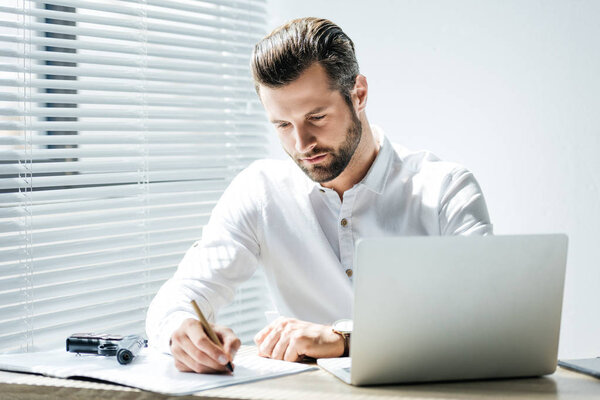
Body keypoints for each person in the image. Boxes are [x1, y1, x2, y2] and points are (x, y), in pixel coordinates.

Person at [146, 17, 493, 374]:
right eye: (282, 125)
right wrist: (182, 332)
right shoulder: (260, 191)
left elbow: (486, 318)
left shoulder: (446, 189)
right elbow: (182, 295)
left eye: (317, 116)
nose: (301, 144)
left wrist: (346, 340)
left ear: (359, 94)